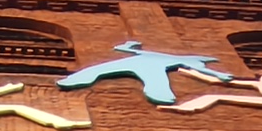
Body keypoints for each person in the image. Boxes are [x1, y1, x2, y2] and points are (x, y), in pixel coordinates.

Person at [52, 39, 235, 106]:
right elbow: (125, 49)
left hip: (145, 65)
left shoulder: (182, 59)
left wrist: (220, 75)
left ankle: (163, 96)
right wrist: (128, 46)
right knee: (156, 83)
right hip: (142, 63)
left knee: (98, 69)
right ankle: (162, 96)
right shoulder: (179, 58)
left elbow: (200, 68)